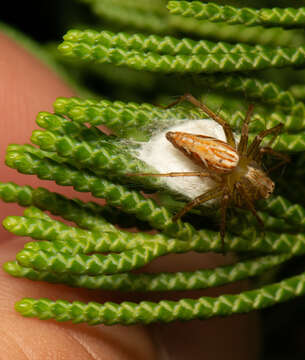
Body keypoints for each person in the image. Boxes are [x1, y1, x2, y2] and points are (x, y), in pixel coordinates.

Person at [0, 32, 259, 360]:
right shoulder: (233, 175)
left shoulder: (240, 161)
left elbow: (249, 134)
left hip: (216, 157)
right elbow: (239, 143)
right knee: (189, 172)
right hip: (204, 152)